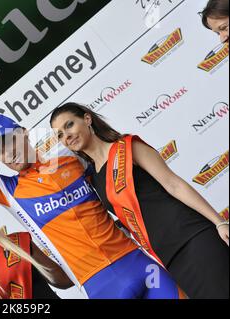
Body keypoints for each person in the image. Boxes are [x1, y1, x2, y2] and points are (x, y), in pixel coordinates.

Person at [0, 89, 184, 299]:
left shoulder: (69, 155)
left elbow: (115, 159)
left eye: (10, 142)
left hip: (136, 261)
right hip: (100, 286)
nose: (7, 153)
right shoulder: (8, 189)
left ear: (25, 133)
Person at [50, 102, 230, 299]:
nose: (66, 135)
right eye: (59, 134)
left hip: (192, 237)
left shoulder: (127, 147)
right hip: (167, 257)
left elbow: (174, 184)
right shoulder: (91, 179)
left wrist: (219, 222)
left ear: (87, 119)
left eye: (69, 125)